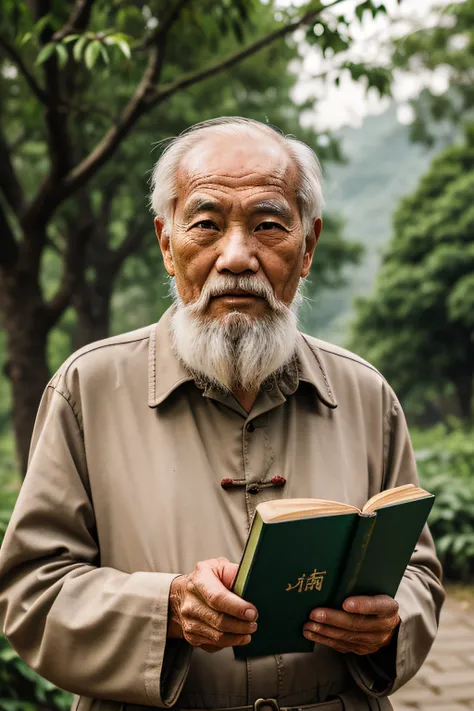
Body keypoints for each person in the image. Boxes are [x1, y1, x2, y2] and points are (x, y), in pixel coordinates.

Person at [0, 117, 444, 711]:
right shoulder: (88, 389)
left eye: (267, 225)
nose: (236, 257)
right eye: (206, 225)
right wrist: (169, 609)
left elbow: (417, 572)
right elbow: (32, 591)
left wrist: (388, 625)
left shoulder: (365, 393)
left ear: (307, 247)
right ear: (167, 243)